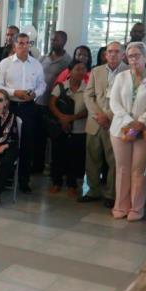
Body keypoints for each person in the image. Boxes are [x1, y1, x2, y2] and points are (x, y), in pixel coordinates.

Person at [108, 42, 146, 222]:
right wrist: (130, 122)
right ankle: (120, 206)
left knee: (138, 170)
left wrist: (141, 123)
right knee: (122, 169)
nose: (134, 59)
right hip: (120, 128)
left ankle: (136, 208)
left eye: (137, 55)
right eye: (130, 56)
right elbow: (114, 103)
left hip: (145, 131)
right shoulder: (121, 77)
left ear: (145, 57)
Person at [0, 33, 46, 193]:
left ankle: (24, 180)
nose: (24, 46)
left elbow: (42, 84)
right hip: (9, 107)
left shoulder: (36, 64)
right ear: (15, 46)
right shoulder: (5, 63)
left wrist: (35, 93)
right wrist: (15, 92)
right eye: (21, 43)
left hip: (29, 107)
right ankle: (5, 177)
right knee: (7, 142)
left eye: (27, 43)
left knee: (27, 145)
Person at [81, 41, 127, 207]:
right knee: (92, 159)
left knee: (114, 161)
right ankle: (93, 191)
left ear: (123, 55)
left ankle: (111, 194)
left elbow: (126, 101)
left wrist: (108, 117)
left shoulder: (128, 72)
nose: (113, 54)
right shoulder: (96, 71)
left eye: (116, 51)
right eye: (109, 51)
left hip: (115, 123)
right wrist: (98, 115)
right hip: (95, 122)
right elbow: (88, 95)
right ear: (105, 54)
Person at [48, 59, 90, 197]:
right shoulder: (60, 87)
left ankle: (72, 184)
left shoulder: (88, 88)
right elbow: (52, 104)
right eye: (77, 68)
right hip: (61, 128)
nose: (80, 71)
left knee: (75, 157)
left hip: (79, 129)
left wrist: (71, 118)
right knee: (58, 155)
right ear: (70, 71)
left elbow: (89, 109)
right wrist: (62, 118)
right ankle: (56, 182)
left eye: (83, 69)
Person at [32, 30, 72, 174]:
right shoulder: (43, 59)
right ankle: (37, 166)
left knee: (56, 140)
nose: (53, 42)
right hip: (39, 103)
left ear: (64, 42)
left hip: (55, 106)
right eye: (52, 39)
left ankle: (55, 170)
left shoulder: (68, 61)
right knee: (38, 138)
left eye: (57, 40)